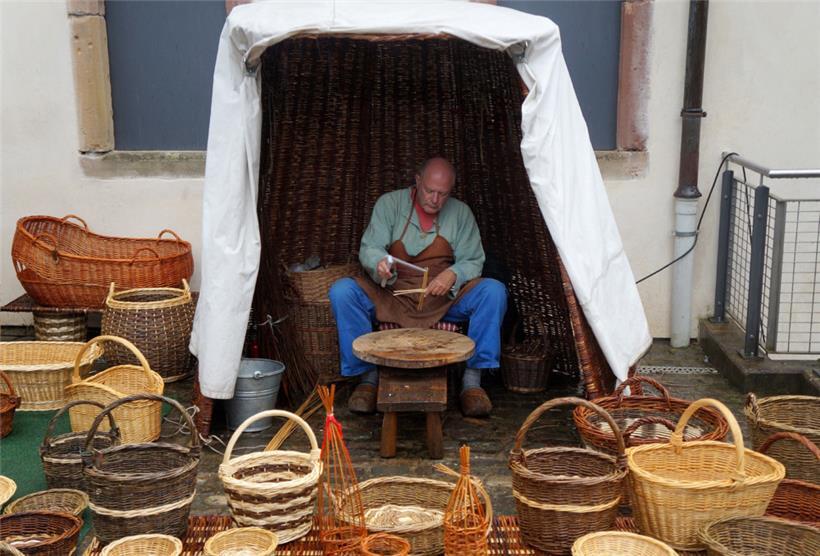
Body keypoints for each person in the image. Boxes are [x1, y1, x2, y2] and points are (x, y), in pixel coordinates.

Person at [329, 157, 507, 417]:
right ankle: (367, 380)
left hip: (442, 300)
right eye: (429, 191)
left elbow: (474, 260)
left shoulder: (460, 213)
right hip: (392, 296)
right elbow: (370, 247)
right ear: (417, 181)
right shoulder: (389, 204)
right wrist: (378, 262)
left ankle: (472, 384)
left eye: (443, 194)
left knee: (493, 292)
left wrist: (453, 274)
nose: (435, 200)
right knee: (342, 292)